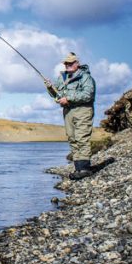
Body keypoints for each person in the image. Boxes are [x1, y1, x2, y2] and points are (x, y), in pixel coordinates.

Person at [45, 52, 96, 180]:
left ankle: (85, 168)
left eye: (70, 63)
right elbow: (56, 94)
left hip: (83, 110)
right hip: (68, 112)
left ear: (77, 63)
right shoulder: (62, 78)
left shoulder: (85, 77)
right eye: (66, 63)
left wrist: (68, 98)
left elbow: (88, 94)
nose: (67, 65)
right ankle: (78, 168)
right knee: (72, 138)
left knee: (81, 138)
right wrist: (50, 87)